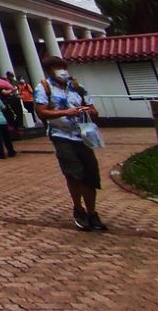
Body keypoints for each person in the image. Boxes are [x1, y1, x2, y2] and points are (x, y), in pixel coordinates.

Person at [33, 55, 107, 231]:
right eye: (57, 68)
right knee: (73, 174)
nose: (62, 71)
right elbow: (42, 112)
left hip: (83, 135)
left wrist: (88, 111)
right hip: (61, 136)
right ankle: (79, 209)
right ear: (49, 71)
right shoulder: (44, 88)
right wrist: (66, 112)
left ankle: (92, 213)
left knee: (90, 175)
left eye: (63, 67)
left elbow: (94, 110)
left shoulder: (78, 88)